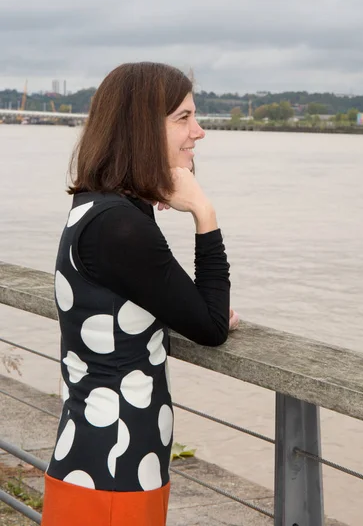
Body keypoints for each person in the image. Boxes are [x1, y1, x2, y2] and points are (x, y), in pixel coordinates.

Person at [41, 62, 239, 526]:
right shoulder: (120, 226)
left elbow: (143, 303)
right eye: (184, 118)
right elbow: (211, 326)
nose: (199, 132)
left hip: (100, 451)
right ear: (142, 128)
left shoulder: (100, 207)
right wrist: (204, 212)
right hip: (116, 463)